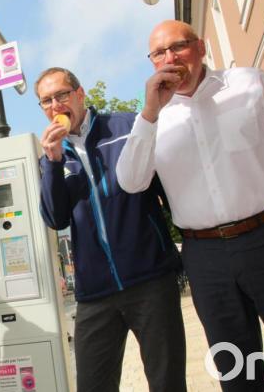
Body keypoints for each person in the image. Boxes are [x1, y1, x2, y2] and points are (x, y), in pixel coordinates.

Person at [116, 20, 264, 391]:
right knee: (238, 377)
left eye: (179, 46)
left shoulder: (249, 83)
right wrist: (149, 114)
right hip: (206, 258)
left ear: (202, 47)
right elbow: (131, 181)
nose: (170, 57)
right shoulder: (151, 119)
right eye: (159, 53)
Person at [36, 67, 186, 392]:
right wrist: (51, 160)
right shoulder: (52, 157)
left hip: (150, 282)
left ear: (80, 94)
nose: (55, 105)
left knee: (167, 382)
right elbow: (54, 218)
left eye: (61, 94)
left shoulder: (127, 126)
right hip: (95, 294)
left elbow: (168, 191)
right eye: (46, 101)